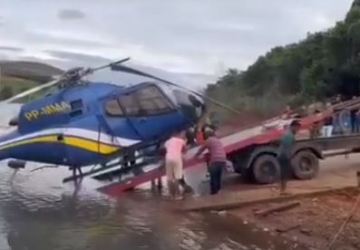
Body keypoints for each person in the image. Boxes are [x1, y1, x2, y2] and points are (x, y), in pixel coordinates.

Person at [194, 129, 227, 195]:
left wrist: (196, 156)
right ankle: (218, 190)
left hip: (215, 160)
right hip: (223, 159)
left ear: (206, 135)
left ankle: (213, 193)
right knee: (218, 176)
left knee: (213, 177)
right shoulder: (217, 140)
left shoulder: (209, 140)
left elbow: (201, 149)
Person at [277, 120, 301, 195]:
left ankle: (282, 189)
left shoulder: (288, 133)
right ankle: (282, 191)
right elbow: (286, 148)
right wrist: (289, 157)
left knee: (284, 173)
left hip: (282, 155)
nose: (298, 130)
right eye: (297, 128)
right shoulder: (289, 135)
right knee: (285, 173)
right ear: (293, 126)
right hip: (284, 156)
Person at [164, 131, 187, 200]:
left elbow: (166, 150)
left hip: (168, 158)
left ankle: (171, 195)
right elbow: (185, 150)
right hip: (177, 158)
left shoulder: (167, 142)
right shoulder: (181, 141)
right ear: (177, 134)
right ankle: (177, 195)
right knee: (177, 177)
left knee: (169, 178)